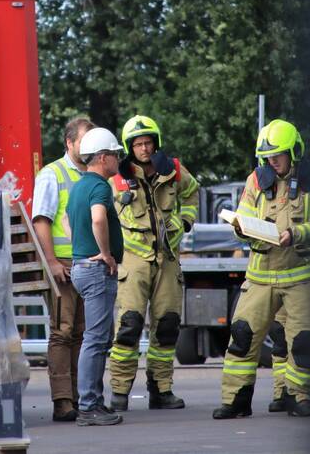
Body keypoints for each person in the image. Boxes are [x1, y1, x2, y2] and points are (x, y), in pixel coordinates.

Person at [213, 119, 310, 419]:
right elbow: (244, 213)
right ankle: (235, 399)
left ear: (294, 151)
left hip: (302, 276)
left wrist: (298, 233)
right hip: (261, 274)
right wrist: (241, 228)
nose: (272, 162)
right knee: (241, 335)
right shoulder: (257, 179)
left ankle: (298, 397)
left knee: (303, 342)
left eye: (277, 156)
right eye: (267, 157)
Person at [108, 115, 199, 411]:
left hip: (168, 260)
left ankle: (161, 390)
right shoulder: (117, 178)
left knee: (167, 326)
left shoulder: (172, 170)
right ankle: (119, 393)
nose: (144, 149)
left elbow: (192, 192)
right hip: (133, 263)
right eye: (138, 144)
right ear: (129, 147)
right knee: (128, 327)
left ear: (155, 143)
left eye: (148, 143)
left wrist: (186, 220)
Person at [31, 117, 96, 422]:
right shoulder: (51, 174)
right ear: (70, 143)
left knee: (83, 333)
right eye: (84, 140)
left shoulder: (94, 175)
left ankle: (79, 396)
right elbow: (41, 220)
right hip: (64, 265)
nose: (90, 147)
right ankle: (62, 401)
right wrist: (52, 262)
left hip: (88, 263)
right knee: (63, 332)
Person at [67, 126, 126, 426]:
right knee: (95, 339)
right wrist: (105, 253)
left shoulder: (78, 185)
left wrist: (83, 248)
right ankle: (89, 405)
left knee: (96, 338)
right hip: (95, 270)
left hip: (80, 267)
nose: (118, 159)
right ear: (103, 158)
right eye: (115, 154)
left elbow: (68, 222)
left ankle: (93, 402)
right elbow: (98, 218)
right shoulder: (101, 186)